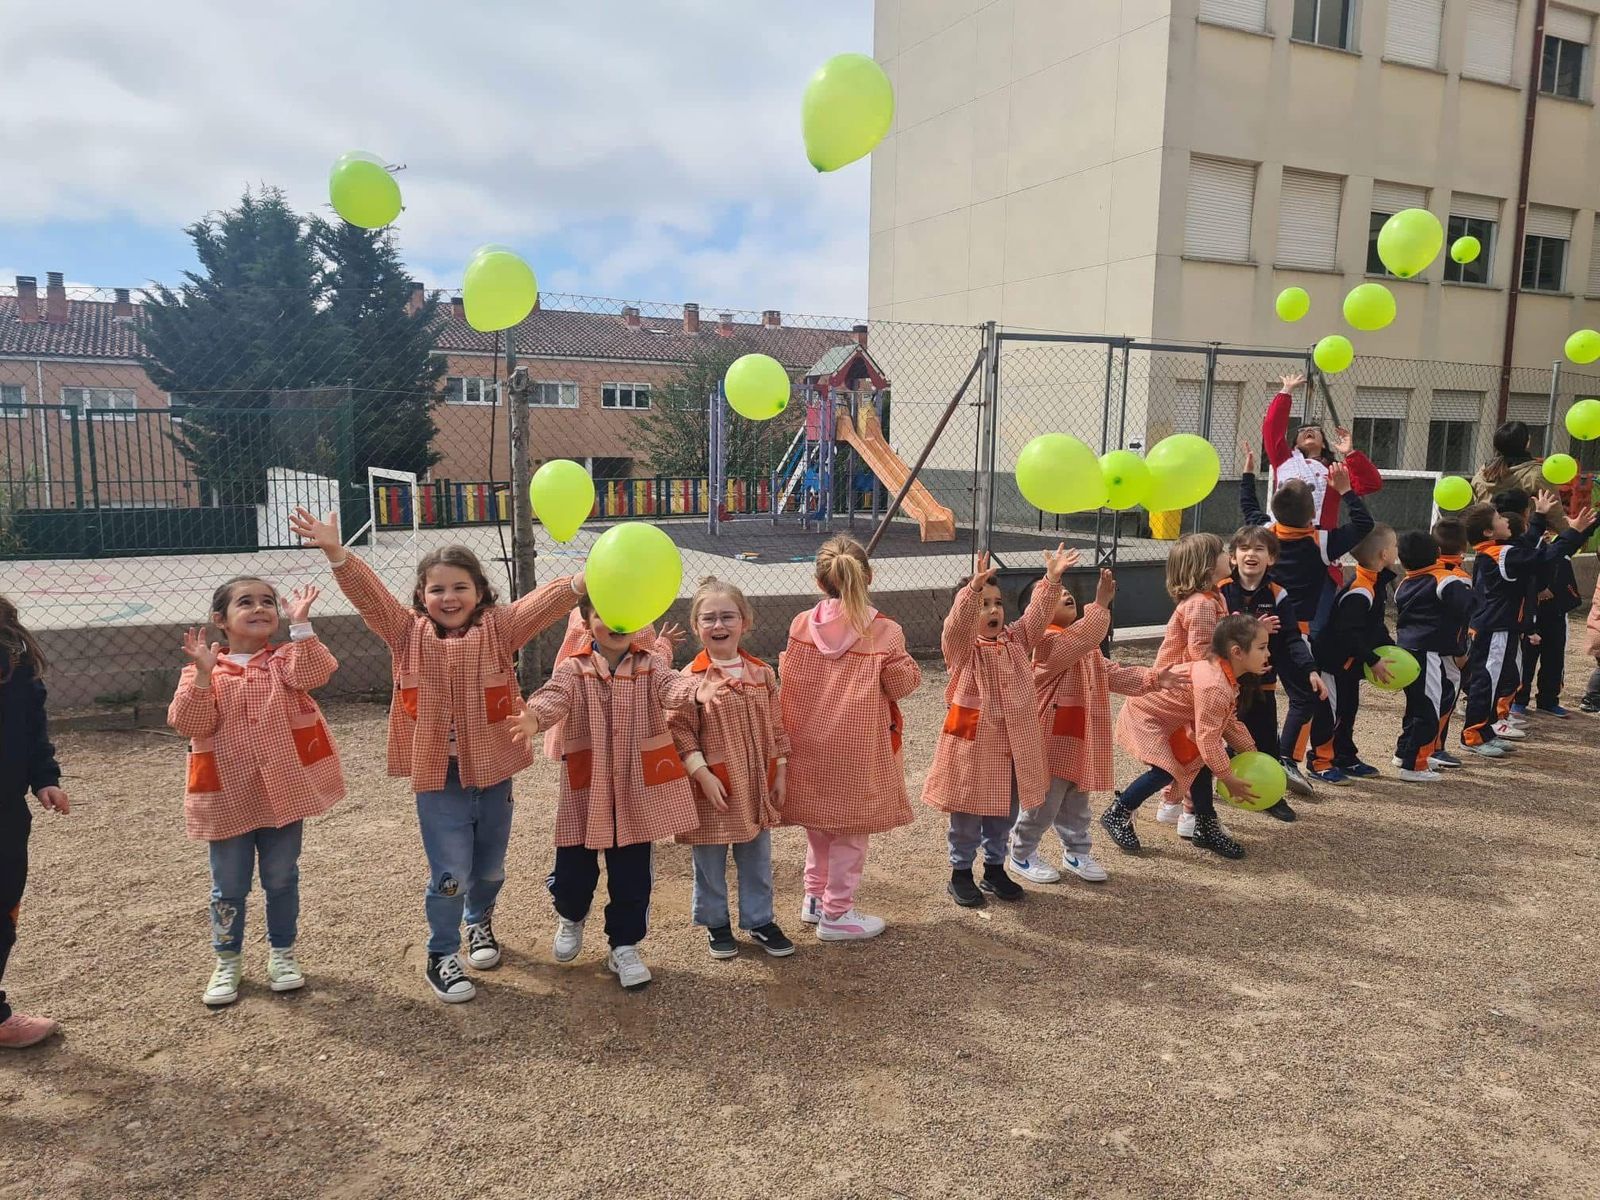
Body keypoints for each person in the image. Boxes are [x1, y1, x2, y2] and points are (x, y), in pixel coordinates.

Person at [290, 508, 583, 1004]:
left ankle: (479, 921)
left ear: (481, 593)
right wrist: (337, 553)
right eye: (437, 590)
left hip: (492, 771)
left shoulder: (498, 630)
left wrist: (580, 581)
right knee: (451, 873)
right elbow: (371, 597)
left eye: (460, 587)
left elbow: (540, 606)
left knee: (489, 869)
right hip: (437, 776)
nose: (449, 598)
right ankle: (441, 952)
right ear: (422, 598)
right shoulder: (406, 633)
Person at [517, 596, 725, 990]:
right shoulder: (574, 668)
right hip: (588, 788)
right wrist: (534, 717)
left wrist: (696, 691)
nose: (616, 622)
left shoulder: (649, 665)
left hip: (634, 790)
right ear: (586, 620)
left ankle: (624, 945)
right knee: (572, 873)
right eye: (603, 614)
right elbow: (554, 695)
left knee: (632, 876)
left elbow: (671, 687)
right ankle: (571, 915)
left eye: (625, 614)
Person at [167, 579, 343, 1006]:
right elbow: (190, 723)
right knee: (228, 885)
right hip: (227, 797)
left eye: (267, 602)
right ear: (219, 620)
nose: (259, 608)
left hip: (283, 794)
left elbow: (317, 671)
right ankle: (227, 960)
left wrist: (301, 625)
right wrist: (205, 675)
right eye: (245, 603)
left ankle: (282, 954)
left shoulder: (284, 662)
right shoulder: (199, 672)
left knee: (282, 878)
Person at [779, 535, 921, 942]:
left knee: (820, 826)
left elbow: (791, 681)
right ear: (868, 577)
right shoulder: (885, 631)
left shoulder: (801, 624)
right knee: (851, 833)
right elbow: (901, 684)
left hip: (807, 742)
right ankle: (837, 913)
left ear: (820, 582)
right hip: (855, 747)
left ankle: (814, 898)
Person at [922, 545, 1075, 908]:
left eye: (996, 602)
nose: (992, 610)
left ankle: (994, 868)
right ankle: (960, 872)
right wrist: (969, 593)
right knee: (967, 809)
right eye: (983, 604)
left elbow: (1037, 617)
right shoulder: (963, 651)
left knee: (1004, 809)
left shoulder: (1016, 640)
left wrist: (1052, 580)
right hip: (973, 743)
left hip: (1013, 744)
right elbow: (955, 628)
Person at [1009, 568, 1177, 885]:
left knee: (1077, 804)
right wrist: (1100, 604)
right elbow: (1085, 636)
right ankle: (1021, 853)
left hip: (1080, 738)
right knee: (1042, 804)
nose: (1065, 595)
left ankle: (1076, 852)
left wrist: (1155, 678)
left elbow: (1113, 674)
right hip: (1051, 739)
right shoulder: (1044, 646)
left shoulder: (1083, 646)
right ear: (1037, 613)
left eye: (1066, 592)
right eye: (1054, 596)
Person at [668, 577, 795, 960]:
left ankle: (759, 920)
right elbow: (680, 732)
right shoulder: (689, 679)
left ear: (745, 622)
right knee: (708, 857)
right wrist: (702, 774)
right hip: (713, 786)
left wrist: (781, 772)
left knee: (756, 856)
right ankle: (716, 922)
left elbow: (776, 727)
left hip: (756, 782)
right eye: (709, 619)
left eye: (728, 617)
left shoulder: (762, 673)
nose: (719, 626)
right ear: (696, 627)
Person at [1240, 456, 1374, 784]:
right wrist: (1345, 491)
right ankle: (1287, 757)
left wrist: (1247, 474)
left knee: (1254, 692)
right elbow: (1363, 524)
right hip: (1293, 631)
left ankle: (1240, 754)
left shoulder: (1265, 532)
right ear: (1312, 513)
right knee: (1305, 697)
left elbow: (1248, 507)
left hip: (1256, 627)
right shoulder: (1321, 541)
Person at [1101, 615, 1268, 860]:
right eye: (1262, 648)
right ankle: (1118, 811)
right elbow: (1208, 739)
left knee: (1199, 762)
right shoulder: (1215, 685)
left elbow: (1228, 722)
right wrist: (1227, 776)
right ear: (1237, 652)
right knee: (1166, 770)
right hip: (1146, 713)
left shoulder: (1224, 678)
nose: (1268, 654)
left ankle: (1206, 826)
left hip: (1170, 719)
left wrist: (1252, 753)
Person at [1458, 495, 1594, 756]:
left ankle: (1486, 730)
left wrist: (1540, 516)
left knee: (1498, 683)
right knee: (1486, 683)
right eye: (1498, 518)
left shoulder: (1500, 550)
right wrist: (1574, 532)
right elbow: (1543, 557)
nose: (1505, 519)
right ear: (1488, 531)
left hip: (1504, 628)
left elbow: (1527, 546)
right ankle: (1473, 735)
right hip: (1493, 630)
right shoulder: (1500, 554)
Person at [0, 598, 69, 1049]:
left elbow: (31, 723)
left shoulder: (12, 651)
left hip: (5, 812)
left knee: (3, 910)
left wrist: (44, 777)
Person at [1262, 373, 1384, 590]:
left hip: (1318, 547)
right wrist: (1286, 392)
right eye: (1302, 431)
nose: (1309, 431)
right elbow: (1272, 428)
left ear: (1324, 442)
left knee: (1317, 614)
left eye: (1316, 431)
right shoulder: (1283, 459)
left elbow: (1371, 483)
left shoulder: (1335, 470)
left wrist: (1351, 454)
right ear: (1295, 442)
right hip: (1281, 542)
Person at [1149, 532, 1230, 833]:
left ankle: (1177, 805)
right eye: (1222, 551)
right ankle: (1189, 812)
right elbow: (1201, 651)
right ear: (1208, 567)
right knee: (1197, 748)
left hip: (1190, 685)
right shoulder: (1201, 605)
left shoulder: (1214, 598)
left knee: (1192, 748)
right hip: (1187, 687)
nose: (1228, 555)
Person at [1310, 525, 1399, 778]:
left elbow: (1374, 626)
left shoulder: (1375, 583)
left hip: (1349, 664)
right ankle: (1320, 761)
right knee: (1330, 712)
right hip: (1333, 663)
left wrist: (1390, 647)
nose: (1397, 550)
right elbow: (1346, 633)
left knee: (1347, 710)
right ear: (1383, 554)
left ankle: (1344, 756)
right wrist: (1372, 659)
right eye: (1394, 546)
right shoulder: (1361, 590)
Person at [1392, 531, 1474, 782]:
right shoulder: (1444, 580)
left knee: (1416, 705)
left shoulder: (1403, 584)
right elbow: (1469, 605)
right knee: (1428, 707)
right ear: (1437, 554)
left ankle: (1404, 752)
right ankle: (1413, 765)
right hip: (1427, 653)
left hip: (1407, 650)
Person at [1512, 519, 1584, 719]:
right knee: (1526, 659)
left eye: (1549, 532)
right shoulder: (1525, 553)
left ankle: (1548, 700)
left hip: (1557, 613)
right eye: (1542, 531)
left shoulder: (1561, 551)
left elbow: (1578, 537)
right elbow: (1525, 578)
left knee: (1554, 658)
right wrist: (1538, 589)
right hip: (1531, 615)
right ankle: (1518, 699)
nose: (1546, 535)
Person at [1427, 517, 1473, 765]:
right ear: (1464, 549)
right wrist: (1460, 650)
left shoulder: (1424, 571)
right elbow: (1460, 618)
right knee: (1445, 698)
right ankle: (1435, 747)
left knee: (1430, 698)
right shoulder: (1459, 578)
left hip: (1428, 646)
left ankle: (1429, 746)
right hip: (1449, 650)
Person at [1471, 421, 1552, 505]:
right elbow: (1554, 511)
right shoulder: (1537, 475)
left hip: (1487, 517)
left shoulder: (1483, 473)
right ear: (1527, 443)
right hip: (1525, 518)